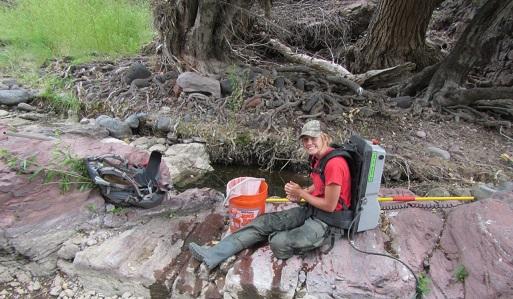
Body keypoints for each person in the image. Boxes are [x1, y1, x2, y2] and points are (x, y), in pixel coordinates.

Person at [188, 120, 352, 270]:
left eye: (313, 138)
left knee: (278, 243)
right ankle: (212, 255)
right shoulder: (317, 158)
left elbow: (330, 206)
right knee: (263, 222)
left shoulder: (334, 164)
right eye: (305, 139)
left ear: (325, 137)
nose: (309, 143)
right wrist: (303, 192)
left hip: (329, 223)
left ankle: (282, 237)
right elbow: (319, 185)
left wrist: (301, 193)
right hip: (313, 211)